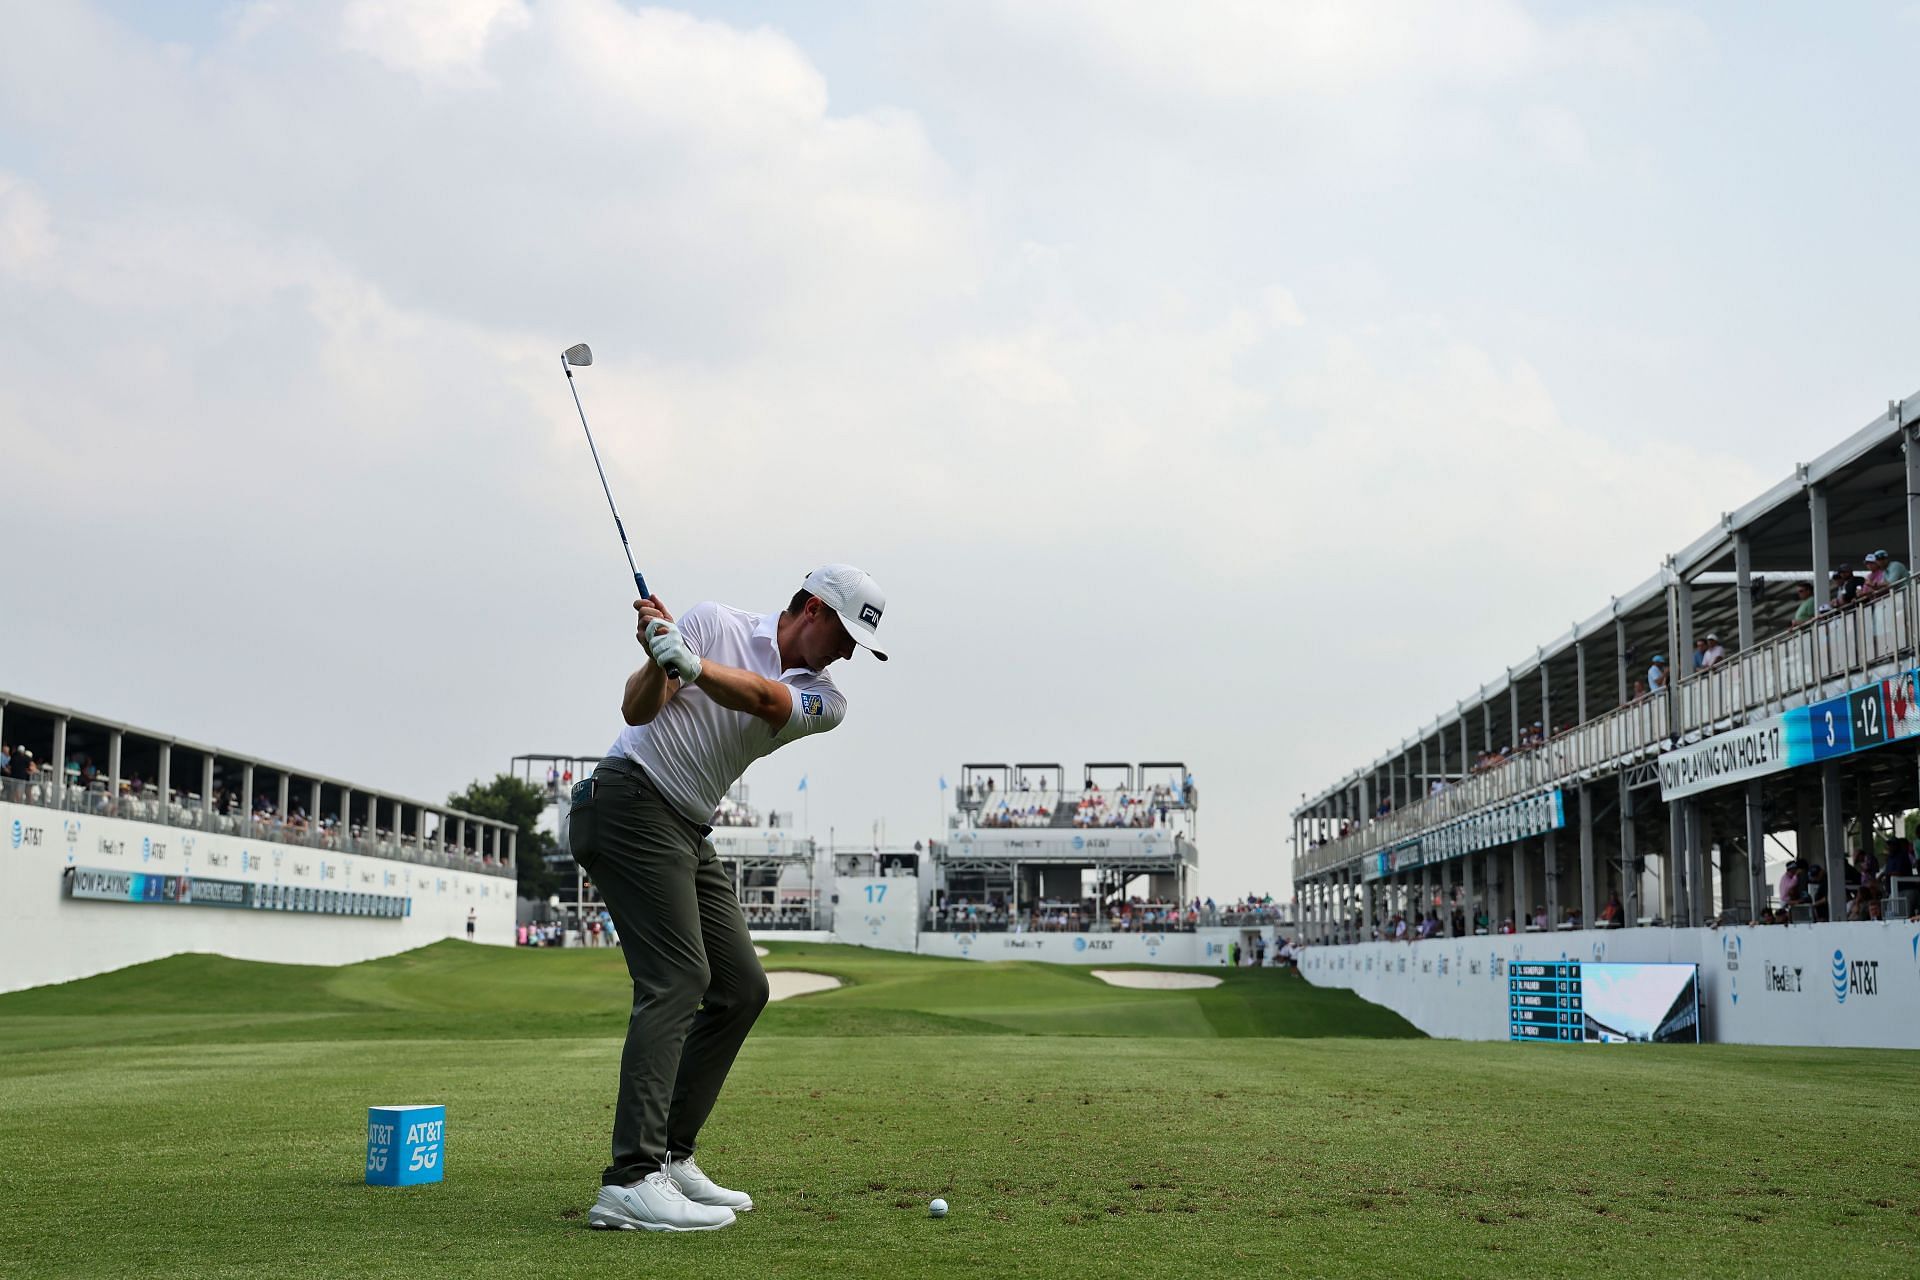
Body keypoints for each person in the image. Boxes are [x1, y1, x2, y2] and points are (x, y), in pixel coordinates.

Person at [580, 565, 888, 1233]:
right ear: (812, 609)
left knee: (742, 986)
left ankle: (669, 1154)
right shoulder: (713, 621)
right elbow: (636, 712)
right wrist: (657, 659)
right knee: (678, 976)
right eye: (844, 635)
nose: (846, 654)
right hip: (629, 797)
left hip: (686, 825)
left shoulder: (825, 699)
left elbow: (767, 702)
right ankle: (631, 1179)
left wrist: (691, 666)